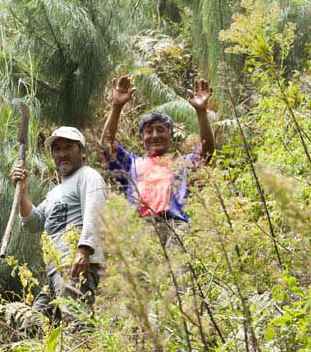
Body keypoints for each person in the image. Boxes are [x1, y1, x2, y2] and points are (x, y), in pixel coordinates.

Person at [100, 76, 214, 247]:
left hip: (176, 226)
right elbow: (106, 145)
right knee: (145, 274)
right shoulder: (132, 164)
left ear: (170, 136)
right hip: (141, 228)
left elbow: (208, 149)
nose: (154, 136)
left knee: (180, 273)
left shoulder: (182, 163)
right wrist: (116, 107)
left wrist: (201, 112)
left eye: (160, 130)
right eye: (149, 131)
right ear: (142, 138)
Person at [12, 127, 106, 322]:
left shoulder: (88, 176)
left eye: (69, 147)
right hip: (55, 271)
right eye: (57, 149)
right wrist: (22, 191)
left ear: (82, 152)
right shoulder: (55, 192)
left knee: (77, 324)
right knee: (33, 325)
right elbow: (34, 223)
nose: (62, 153)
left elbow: (95, 213)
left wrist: (84, 251)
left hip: (76, 265)